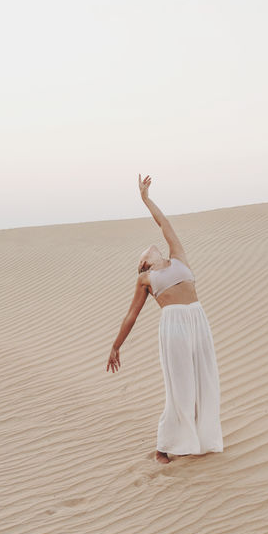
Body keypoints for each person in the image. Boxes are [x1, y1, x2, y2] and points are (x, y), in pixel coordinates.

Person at [106, 175, 223, 464]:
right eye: (146, 250)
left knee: (206, 381)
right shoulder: (147, 278)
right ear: (144, 262)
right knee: (180, 385)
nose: (152, 245)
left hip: (198, 319)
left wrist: (146, 199)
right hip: (174, 326)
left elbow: (164, 223)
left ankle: (201, 439)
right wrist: (116, 345)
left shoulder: (179, 257)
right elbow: (131, 315)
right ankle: (163, 446)